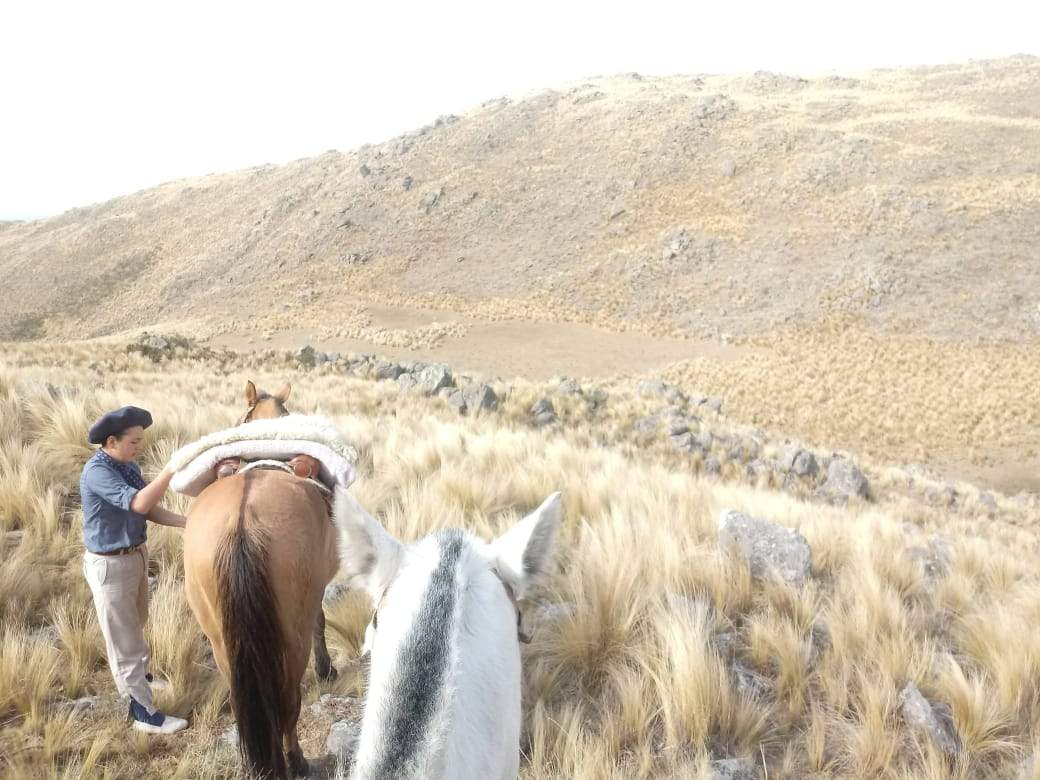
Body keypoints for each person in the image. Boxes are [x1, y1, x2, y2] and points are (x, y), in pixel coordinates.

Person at [80, 405, 189, 735]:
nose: (139, 446)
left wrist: (188, 522)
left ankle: (141, 684)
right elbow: (139, 503)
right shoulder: (97, 472)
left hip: (135, 556)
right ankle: (143, 713)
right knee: (124, 639)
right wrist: (170, 470)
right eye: (134, 441)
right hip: (110, 565)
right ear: (111, 441)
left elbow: (148, 508)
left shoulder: (126, 464)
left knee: (136, 626)